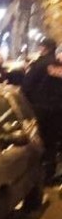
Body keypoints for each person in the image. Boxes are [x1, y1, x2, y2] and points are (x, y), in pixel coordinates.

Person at [23, 38, 62, 182]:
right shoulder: (58, 65)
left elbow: (26, 86)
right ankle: (51, 173)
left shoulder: (38, 65)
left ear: (43, 48)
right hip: (57, 110)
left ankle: (39, 174)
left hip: (39, 110)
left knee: (37, 142)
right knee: (52, 142)